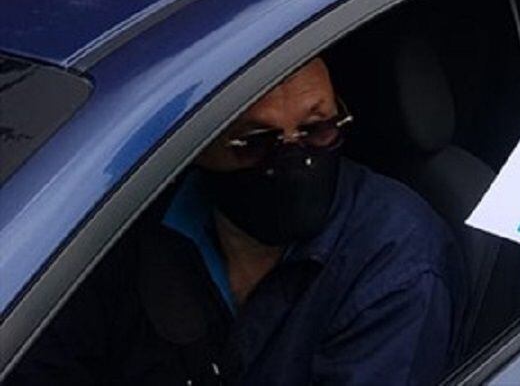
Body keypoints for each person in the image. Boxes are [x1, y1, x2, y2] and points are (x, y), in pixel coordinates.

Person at [11, 58, 461, 386]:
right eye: (256, 142)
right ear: (198, 145)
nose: (296, 161)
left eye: (317, 130)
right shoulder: (129, 221)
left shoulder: (396, 265)